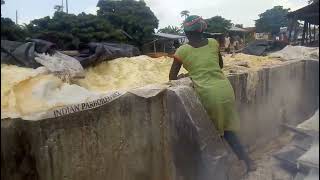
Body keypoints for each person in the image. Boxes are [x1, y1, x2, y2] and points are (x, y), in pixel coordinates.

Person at [169, 15, 257, 172]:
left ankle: (220, 171)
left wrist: (186, 75)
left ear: (186, 32)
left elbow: (171, 78)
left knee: (213, 135)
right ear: (202, 29)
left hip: (208, 95)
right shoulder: (213, 43)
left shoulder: (182, 50)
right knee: (228, 130)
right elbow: (220, 65)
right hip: (225, 90)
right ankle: (249, 162)